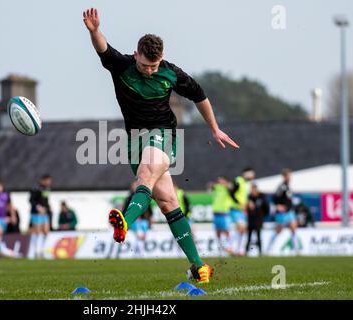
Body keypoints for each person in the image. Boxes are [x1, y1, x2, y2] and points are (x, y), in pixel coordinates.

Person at [83, 8, 239, 284]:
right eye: (145, 65)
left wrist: (215, 129)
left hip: (163, 135)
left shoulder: (171, 73)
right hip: (134, 140)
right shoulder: (122, 66)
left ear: (161, 59)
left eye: (154, 66)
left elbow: (199, 95)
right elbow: (104, 49)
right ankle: (199, 266)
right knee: (168, 201)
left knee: (145, 175)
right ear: (136, 55)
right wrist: (95, 31)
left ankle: (125, 222)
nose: (149, 70)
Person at [267, 168, 300, 254]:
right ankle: (269, 248)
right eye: (289, 176)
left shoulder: (288, 187)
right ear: (284, 177)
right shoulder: (281, 186)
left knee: (293, 227)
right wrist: (278, 206)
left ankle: (296, 249)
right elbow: (274, 198)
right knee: (278, 230)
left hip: (289, 211)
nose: (290, 177)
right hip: (282, 213)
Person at [229, 168, 256, 256]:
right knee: (240, 228)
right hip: (235, 209)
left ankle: (238, 251)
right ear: (246, 173)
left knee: (243, 230)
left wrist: (249, 202)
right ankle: (230, 247)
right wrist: (238, 203)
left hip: (242, 211)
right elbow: (231, 193)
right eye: (251, 174)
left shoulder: (246, 183)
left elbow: (243, 196)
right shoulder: (238, 181)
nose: (252, 176)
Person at [123, 181, 153, 256]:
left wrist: (150, 221)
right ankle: (141, 252)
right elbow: (124, 211)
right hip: (134, 221)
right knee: (139, 234)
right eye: (134, 185)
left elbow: (149, 211)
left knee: (142, 234)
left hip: (143, 221)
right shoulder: (129, 198)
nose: (135, 187)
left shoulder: (146, 197)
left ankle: (139, 251)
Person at [28, 174, 52, 259]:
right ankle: (35, 251)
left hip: (45, 213)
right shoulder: (36, 188)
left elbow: (45, 201)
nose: (49, 182)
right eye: (48, 180)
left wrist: (48, 208)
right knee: (37, 232)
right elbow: (31, 200)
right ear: (43, 180)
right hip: (36, 213)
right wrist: (38, 207)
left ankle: (42, 250)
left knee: (46, 231)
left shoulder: (47, 189)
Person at [211, 176, 234, 256]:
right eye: (218, 180)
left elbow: (231, 187)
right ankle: (220, 249)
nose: (219, 181)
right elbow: (210, 186)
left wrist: (225, 183)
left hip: (224, 214)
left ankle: (230, 248)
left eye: (221, 179)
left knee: (226, 231)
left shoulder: (226, 188)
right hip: (216, 213)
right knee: (218, 232)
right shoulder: (217, 188)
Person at [245, 184, 269, 256]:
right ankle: (246, 252)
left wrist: (262, 215)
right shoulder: (249, 197)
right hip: (251, 220)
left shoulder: (261, 197)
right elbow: (245, 208)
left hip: (258, 220)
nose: (253, 191)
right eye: (252, 189)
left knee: (258, 236)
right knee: (249, 236)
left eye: (254, 189)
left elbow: (266, 207)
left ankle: (260, 252)